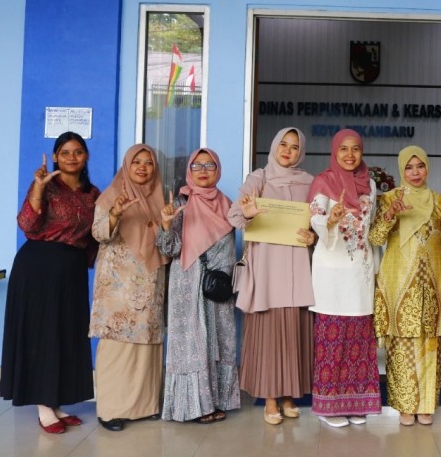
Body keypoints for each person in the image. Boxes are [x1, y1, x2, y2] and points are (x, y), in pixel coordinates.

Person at [0, 133, 100, 434]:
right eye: (65, 152)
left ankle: (55, 402)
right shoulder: (45, 186)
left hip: (71, 271)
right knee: (42, 334)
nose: (71, 157)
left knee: (65, 334)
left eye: (78, 152)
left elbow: (94, 236)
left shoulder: (93, 194)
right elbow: (28, 226)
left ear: (86, 157)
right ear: (55, 157)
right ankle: (44, 406)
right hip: (38, 268)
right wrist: (38, 190)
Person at [227, 128, 316, 425]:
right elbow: (234, 216)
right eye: (283, 145)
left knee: (293, 329)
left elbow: (318, 223)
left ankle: (290, 394)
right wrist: (250, 213)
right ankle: (270, 398)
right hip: (266, 265)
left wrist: (312, 236)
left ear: (300, 151)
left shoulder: (309, 182)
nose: (287, 151)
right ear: (274, 146)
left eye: (294, 147)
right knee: (268, 331)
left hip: (297, 264)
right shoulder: (259, 178)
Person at [369, 145, 441, 426]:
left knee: (430, 344)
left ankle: (426, 404)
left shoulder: (440, 201)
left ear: (428, 167)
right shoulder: (389, 199)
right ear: (401, 170)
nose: (415, 172)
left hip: (432, 282)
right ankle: (406, 405)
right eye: (409, 167)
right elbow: (376, 238)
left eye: (420, 166)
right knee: (403, 344)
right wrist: (389, 214)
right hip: (399, 282)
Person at [156, 148, 241, 423]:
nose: (203, 170)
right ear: (189, 171)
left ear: (218, 170)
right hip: (189, 285)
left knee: (219, 341)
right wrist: (166, 225)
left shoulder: (229, 204)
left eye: (209, 165)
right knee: (193, 344)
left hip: (219, 285)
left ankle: (217, 401)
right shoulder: (181, 202)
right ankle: (193, 406)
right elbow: (170, 249)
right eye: (197, 165)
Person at [89, 144, 167, 432]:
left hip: (151, 283)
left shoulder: (160, 199)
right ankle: (110, 410)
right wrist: (115, 214)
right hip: (119, 287)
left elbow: (167, 241)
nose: (143, 168)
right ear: (127, 165)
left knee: (146, 346)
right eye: (137, 162)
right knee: (118, 346)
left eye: (148, 163)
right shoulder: (110, 196)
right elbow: (98, 233)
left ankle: (145, 407)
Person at [308, 129, 382, 427]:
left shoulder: (371, 185)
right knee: (333, 338)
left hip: (360, 273)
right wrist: (332, 218)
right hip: (331, 273)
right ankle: (329, 407)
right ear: (334, 151)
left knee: (359, 339)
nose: (350, 155)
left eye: (356, 149)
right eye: (344, 149)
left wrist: (377, 267)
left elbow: (372, 226)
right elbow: (315, 220)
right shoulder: (322, 181)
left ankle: (356, 402)